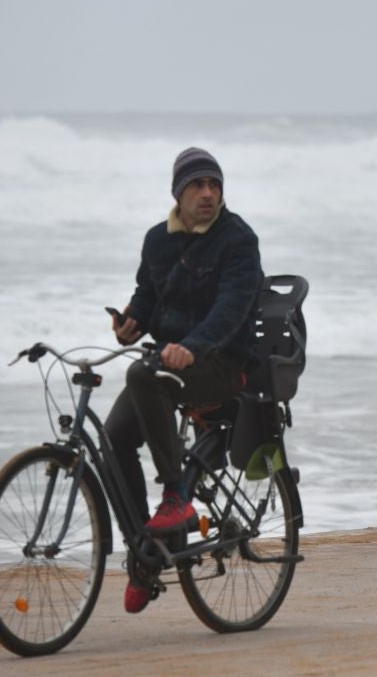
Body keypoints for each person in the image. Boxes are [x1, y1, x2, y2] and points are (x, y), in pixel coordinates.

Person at [105, 146, 263, 612]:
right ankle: (146, 552)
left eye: (215, 185)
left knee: (142, 375)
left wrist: (193, 345)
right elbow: (147, 297)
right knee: (114, 441)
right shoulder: (158, 240)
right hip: (173, 363)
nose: (208, 194)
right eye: (198, 185)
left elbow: (232, 309)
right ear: (179, 192)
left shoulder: (238, 239)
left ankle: (175, 495)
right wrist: (130, 322)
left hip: (223, 363)